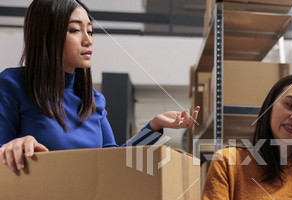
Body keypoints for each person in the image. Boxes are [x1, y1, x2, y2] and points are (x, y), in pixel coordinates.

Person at [0, 0, 199, 173]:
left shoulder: (94, 100)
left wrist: (155, 126)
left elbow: (114, 162)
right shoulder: (13, 85)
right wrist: (12, 147)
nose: (88, 40)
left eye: (90, 31)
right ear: (47, 35)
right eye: (75, 30)